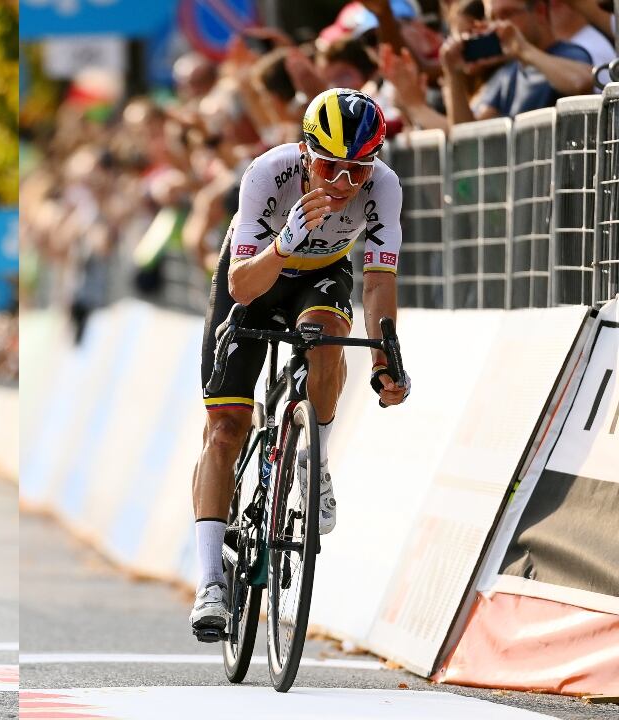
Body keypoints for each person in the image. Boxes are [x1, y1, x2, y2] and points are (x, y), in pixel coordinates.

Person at [189, 88, 410, 639]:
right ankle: (211, 581)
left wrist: (387, 354)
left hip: (323, 274)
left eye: (355, 172)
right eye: (330, 166)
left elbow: (380, 281)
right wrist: (288, 239)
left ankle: (315, 457)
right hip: (260, 270)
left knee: (331, 334)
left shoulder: (383, 187)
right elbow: (241, 288)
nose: (341, 185)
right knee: (224, 429)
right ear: (306, 153)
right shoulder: (269, 173)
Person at [442, 0, 594, 123]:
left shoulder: (569, 54)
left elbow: (581, 82)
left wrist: (523, 49)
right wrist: (453, 74)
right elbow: (468, 133)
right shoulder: (507, 74)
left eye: (507, 14)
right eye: (493, 18)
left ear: (540, 11)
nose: (499, 25)